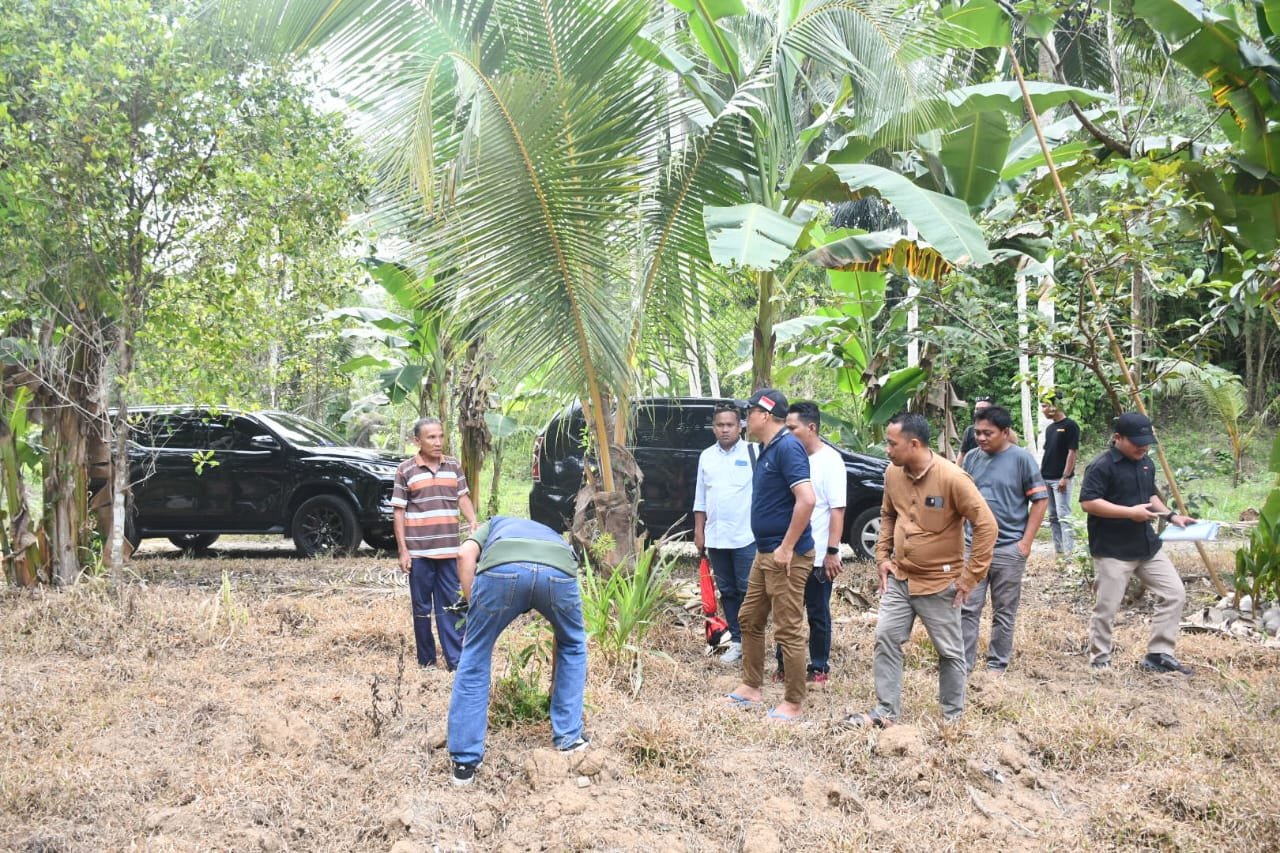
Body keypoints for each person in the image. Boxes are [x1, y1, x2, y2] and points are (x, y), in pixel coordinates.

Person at [841, 412, 996, 729]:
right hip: (900, 577)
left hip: (940, 583)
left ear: (914, 444)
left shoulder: (952, 478)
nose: (887, 449)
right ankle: (886, 711)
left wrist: (970, 576)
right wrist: (882, 556)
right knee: (886, 638)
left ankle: (953, 718)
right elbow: (887, 514)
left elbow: (986, 526)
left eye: (891, 443)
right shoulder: (892, 473)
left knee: (950, 652)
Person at [447, 516, 588, 786]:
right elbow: (564, 638)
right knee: (573, 643)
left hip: (502, 570)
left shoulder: (494, 523)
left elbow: (464, 554)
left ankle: (465, 763)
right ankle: (570, 738)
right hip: (558, 571)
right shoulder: (551, 532)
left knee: (476, 652)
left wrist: (473, 606)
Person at [721, 388, 816, 723]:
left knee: (788, 628)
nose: (746, 418)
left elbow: (807, 499)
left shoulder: (788, 447)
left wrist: (787, 547)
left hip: (785, 554)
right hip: (766, 553)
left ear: (765, 414)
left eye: (750, 412)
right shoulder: (768, 448)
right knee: (749, 618)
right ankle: (751, 685)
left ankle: (793, 702)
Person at [1079, 413, 1195, 674]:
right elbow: (1089, 502)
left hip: (1146, 547)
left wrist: (1172, 515)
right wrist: (1129, 512)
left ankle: (1159, 654)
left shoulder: (1146, 463)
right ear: (1118, 438)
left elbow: (1150, 494)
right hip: (1113, 550)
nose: (1143, 447)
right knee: (1107, 608)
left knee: (1174, 593)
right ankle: (1100, 660)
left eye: (1147, 442)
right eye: (1137, 442)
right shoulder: (1101, 465)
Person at [960, 405, 1049, 673]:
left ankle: (997, 665)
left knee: (1004, 611)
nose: (982, 438)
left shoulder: (1021, 459)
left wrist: (1025, 543)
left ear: (1005, 432)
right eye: (978, 433)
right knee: (966, 608)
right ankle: (963, 665)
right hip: (972, 547)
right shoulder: (973, 458)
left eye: (988, 433)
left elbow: (1040, 500)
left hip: (1009, 548)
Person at [392, 417, 478, 671]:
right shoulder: (405, 470)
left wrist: (473, 521)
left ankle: (456, 661)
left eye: (440, 436)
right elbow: (399, 511)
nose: (438, 442)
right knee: (421, 609)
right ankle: (426, 662)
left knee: (453, 605)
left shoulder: (453, 466)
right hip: (419, 553)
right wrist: (403, 550)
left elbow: (462, 497)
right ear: (417, 441)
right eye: (431, 437)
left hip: (450, 552)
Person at [773, 402, 846, 685]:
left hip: (816, 555)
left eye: (792, 428)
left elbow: (837, 510)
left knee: (817, 613)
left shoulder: (831, 461)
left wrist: (832, 551)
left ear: (812, 427)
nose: (787, 434)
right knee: (786, 613)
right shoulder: (788, 457)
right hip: (788, 552)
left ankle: (818, 666)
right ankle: (784, 666)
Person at [693, 402, 757, 665]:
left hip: (746, 536)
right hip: (717, 537)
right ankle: (738, 641)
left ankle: (754, 641)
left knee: (748, 590)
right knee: (728, 591)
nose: (725, 430)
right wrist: (699, 531)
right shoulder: (706, 456)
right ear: (713, 428)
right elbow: (701, 498)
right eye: (720, 425)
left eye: (730, 424)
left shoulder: (754, 452)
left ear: (741, 426)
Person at [1040, 396, 1081, 558]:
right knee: (1052, 516)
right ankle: (1059, 551)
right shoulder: (1050, 429)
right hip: (1046, 478)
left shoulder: (1070, 426)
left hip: (1060, 479)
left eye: (1045, 405)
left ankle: (1070, 553)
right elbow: (1048, 452)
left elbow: (1072, 452)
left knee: (1064, 515)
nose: (1043, 409)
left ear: (1055, 406)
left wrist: (1065, 476)